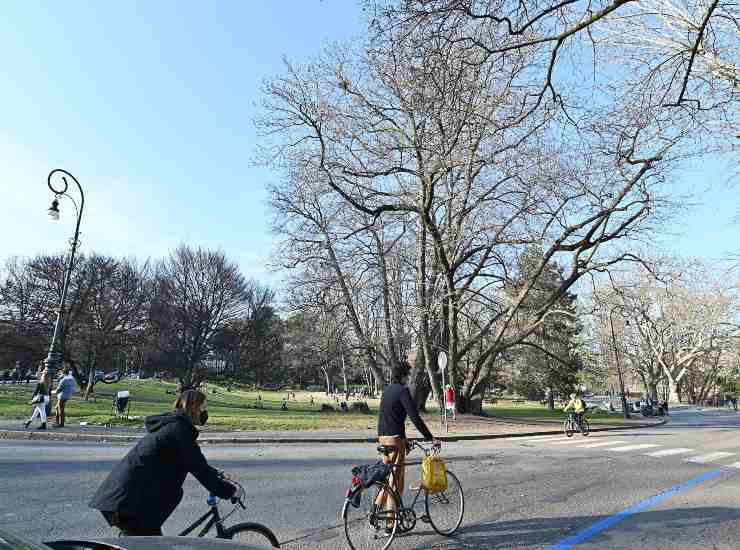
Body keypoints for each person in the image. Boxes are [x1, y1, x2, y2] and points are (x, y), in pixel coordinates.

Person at [90, 389, 236, 536]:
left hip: (125, 499)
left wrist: (216, 477)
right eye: (203, 407)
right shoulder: (179, 430)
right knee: (151, 542)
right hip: (128, 503)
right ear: (193, 407)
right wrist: (228, 491)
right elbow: (199, 467)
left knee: (145, 540)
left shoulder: (173, 425)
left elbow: (195, 463)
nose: (205, 412)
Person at [376, 361, 438, 524]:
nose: (409, 379)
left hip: (383, 438)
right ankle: (391, 523)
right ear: (403, 376)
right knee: (396, 482)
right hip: (395, 441)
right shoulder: (403, 391)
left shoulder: (387, 390)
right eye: (408, 375)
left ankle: (375, 509)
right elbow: (415, 417)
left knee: (388, 478)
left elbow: (392, 418)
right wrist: (430, 437)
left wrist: (405, 440)